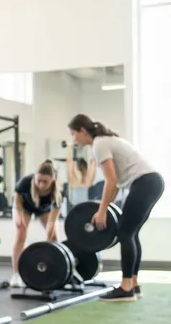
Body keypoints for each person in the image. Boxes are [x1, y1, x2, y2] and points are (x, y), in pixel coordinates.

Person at [68, 114, 164, 302]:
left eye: (73, 134)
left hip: (144, 183)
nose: (74, 139)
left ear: (82, 130)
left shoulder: (99, 144)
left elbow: (111, 181)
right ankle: (133, 284)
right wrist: (105, 206)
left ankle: (126, 287)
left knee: (125, 233)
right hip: (152, 182)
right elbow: (116, 184)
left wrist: (102, 210)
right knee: (131, 233)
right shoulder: (107, 140)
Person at [10, 160, 62, 288]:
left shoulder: (58, 193)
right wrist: (19, 216)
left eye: (45, 182)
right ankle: (16, 274)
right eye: (39, 180)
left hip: (43, 210)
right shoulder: (25, 182)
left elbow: (52, 220)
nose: (41, 184)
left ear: (52, 181)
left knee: (53, 237)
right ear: (35, 177)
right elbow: (17, 199)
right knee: (21, 234)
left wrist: (49, 237)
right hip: (24, 207)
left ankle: (56, 272)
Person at [66, 145, 96, 209]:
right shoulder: (88, 180)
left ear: (77, 167)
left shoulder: (73, 180)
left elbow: (69, 162)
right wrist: (92, 147)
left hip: (76, 207)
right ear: (86, 167)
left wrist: (70, 147)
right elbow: (93, 162)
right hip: (85, 206)